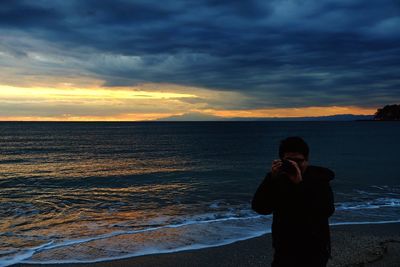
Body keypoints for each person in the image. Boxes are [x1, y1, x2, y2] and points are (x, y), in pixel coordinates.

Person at [252, 136, 335, 267]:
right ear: (281, 161)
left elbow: (326, 210)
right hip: (285, 248)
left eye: (299, 161)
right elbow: (260, 207)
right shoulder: (278, 180)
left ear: (307, 160)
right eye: (290, 161)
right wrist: (271, 179)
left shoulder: (319, 180)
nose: (295, 165)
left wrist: (299, 184)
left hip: (314, 248)